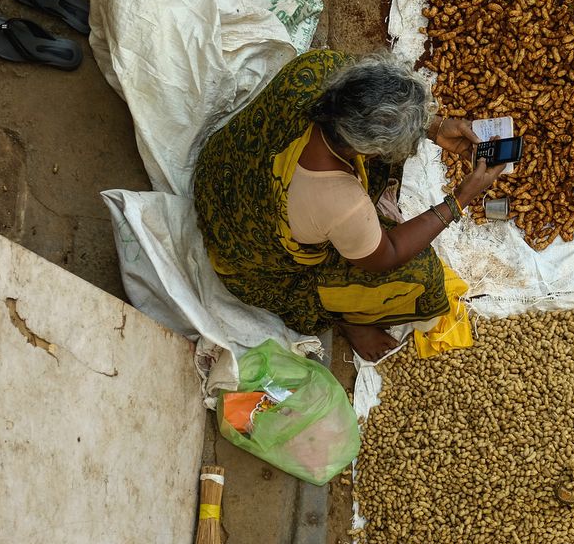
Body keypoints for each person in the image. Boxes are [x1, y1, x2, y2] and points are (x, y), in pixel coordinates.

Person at [192, 49, 505, 361]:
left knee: (379, 176)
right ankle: (350, 320)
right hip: (250, 265)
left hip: (222, 173)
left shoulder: (320, 69)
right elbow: (387, 256)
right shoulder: (340, 201)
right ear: (367, 148)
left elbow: (370, 109)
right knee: (423, 276)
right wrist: (459, 200)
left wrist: (433, 126)